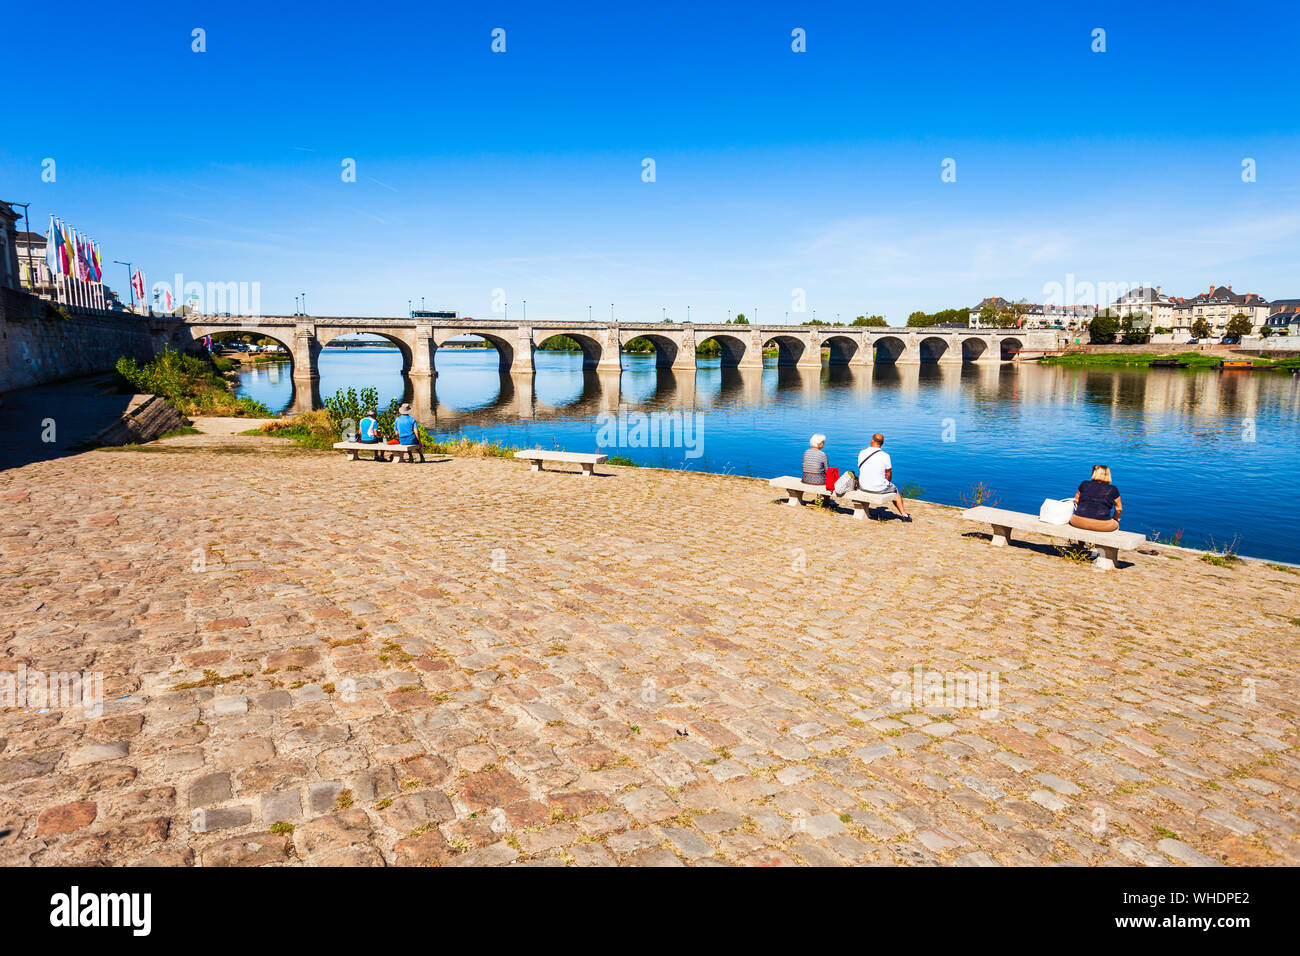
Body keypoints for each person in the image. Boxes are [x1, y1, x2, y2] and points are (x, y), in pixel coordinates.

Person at [857, 433, 911, 521]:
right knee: (895, 492)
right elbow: (888, 473)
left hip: (863, 486)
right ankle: (904, 515)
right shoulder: (885, 456)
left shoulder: (862, 453)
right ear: (882, 443)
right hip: (878, 488)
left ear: (872, 440)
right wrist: (887, 482)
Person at [1070, 465, 1122, 532]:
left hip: (1077, 521)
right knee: (1116, 524)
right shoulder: (1113, 489)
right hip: (1102, 525)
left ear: (1094, 473)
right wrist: (1115, 519)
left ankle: (1081, 542)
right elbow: (1119, 509)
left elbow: (1076, 500)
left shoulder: (1084, 484)